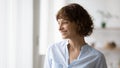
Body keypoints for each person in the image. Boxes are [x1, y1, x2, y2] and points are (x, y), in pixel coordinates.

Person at [44, 3, 107, 68]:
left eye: (65, 22)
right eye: (59, 23)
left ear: (79, 23)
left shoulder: (97, 57)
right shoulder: (52, 50)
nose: (59, 28)